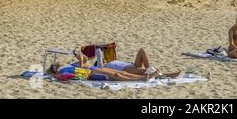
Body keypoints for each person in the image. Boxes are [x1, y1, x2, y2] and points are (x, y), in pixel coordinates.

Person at [49, 48, 180, 81]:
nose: (56, 63)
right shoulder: (66, 68)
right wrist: (79, 57)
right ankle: (149, 76)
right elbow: (82, 65)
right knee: (120, 73)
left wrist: (78, 55)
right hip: (93, 71)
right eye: (54, 65)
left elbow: (84, 59)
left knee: (123, 73)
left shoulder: (71, 64)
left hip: (98, 68)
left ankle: (150, 74)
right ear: (55, 69)